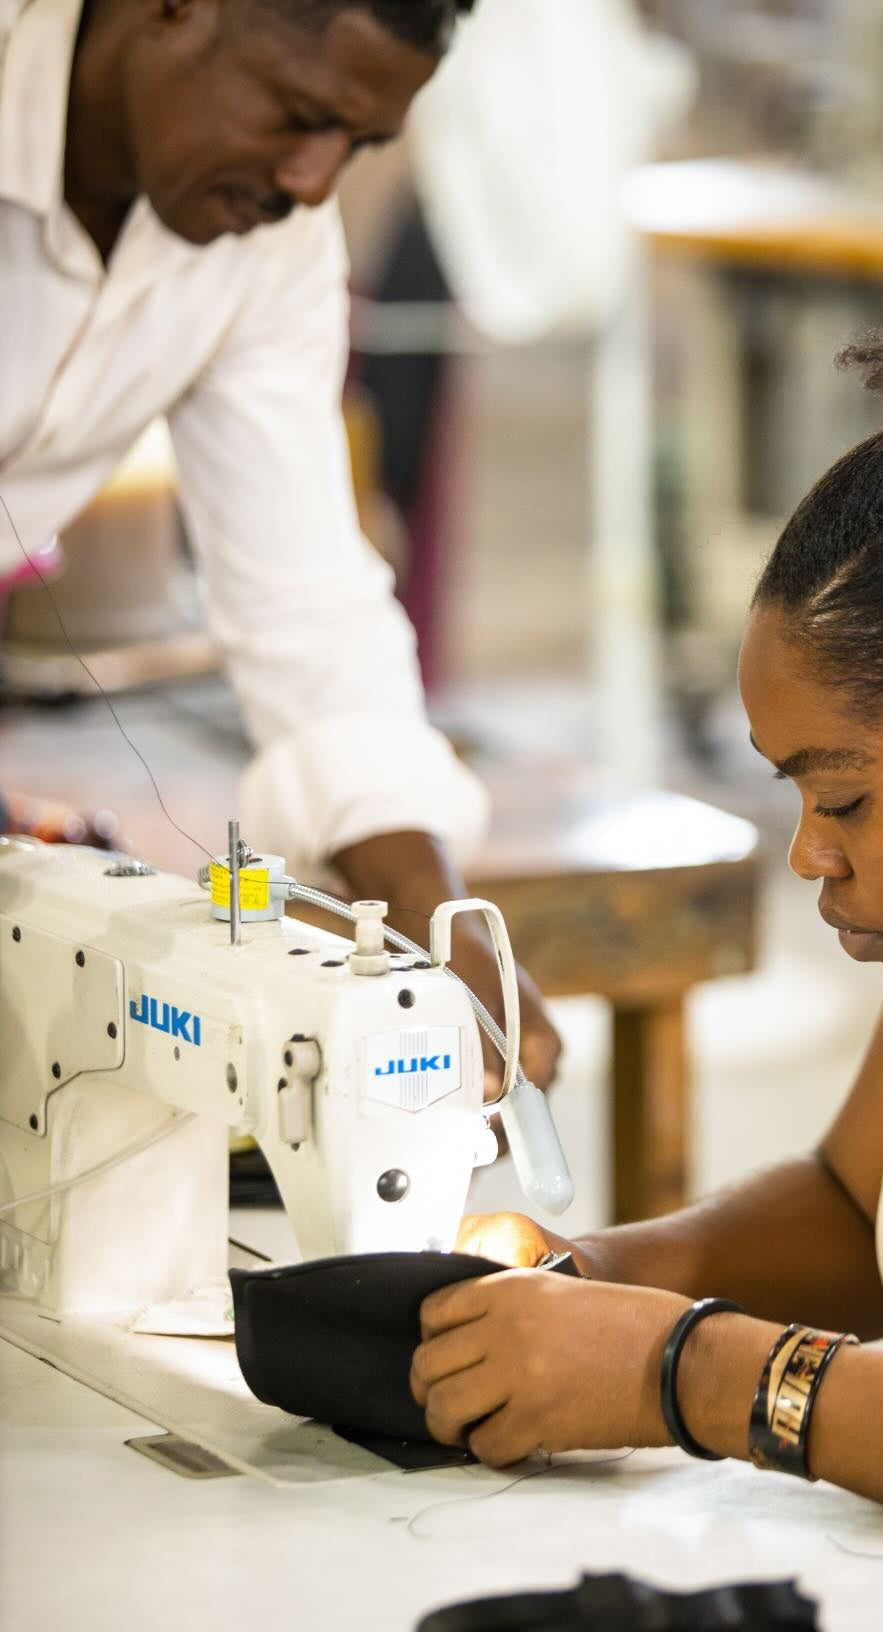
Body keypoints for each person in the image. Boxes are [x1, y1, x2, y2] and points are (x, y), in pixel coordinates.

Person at [410, 216, 883, 1560]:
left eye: (845, 799)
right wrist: (585, 1276)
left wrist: (695, 1373)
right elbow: (856, 1204)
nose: (809, 856)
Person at [0, 0, 560, 1094]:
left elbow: (305, 600)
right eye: (300, 115)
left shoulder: (265, 241)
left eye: (356, 144)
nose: (313, 182)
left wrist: (443, 932)